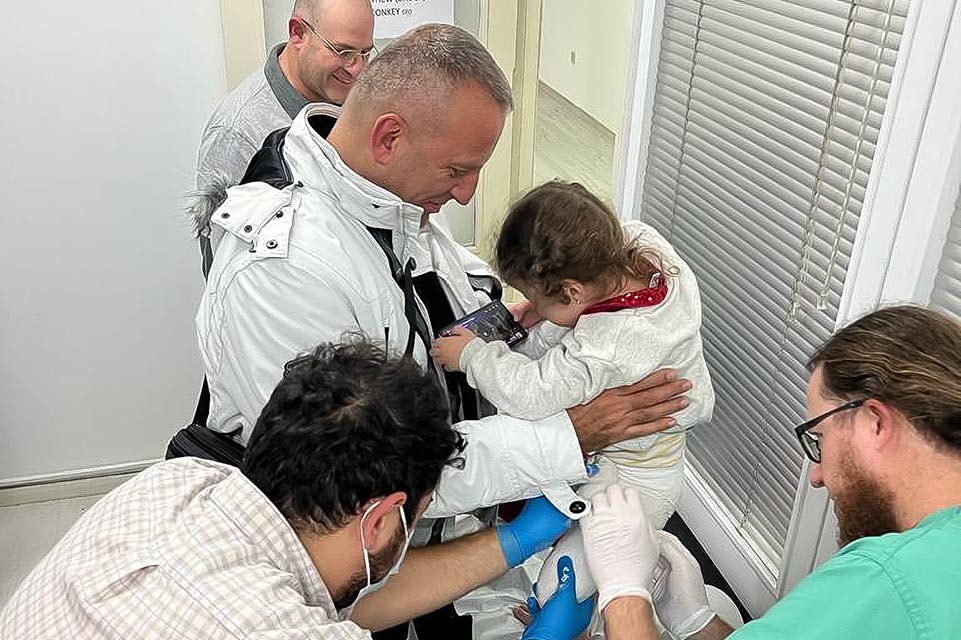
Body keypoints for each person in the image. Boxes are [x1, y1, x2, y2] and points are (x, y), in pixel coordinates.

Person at [195, 24, 691, 520]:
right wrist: (571, 434)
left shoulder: (394, 199)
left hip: (454, 506)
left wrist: (514, 321)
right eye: (456, 171)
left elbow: (442, 297)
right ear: (388, 137)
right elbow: (373, 481)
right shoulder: (285, 273)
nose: (467, 194)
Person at [0, 341, 593, 640]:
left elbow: (345, 600)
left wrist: (513, 541)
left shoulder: (178, 482)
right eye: (422, 509)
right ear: (385, 518)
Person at [561, 305, 961, 640]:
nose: (816, 476)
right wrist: (696, 623)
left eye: (818, 439)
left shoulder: (887, 582)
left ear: (875, 423)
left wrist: (624, 596)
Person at [431, 180, 714, 529]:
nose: (530, 306)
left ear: (573, 292)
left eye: (535, 297)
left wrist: (473, 356)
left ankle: (662, 576)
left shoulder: (605, 348)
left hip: (636, 477)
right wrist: (545, 308)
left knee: (590, 562)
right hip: (656, 452)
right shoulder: (643, 247)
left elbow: (531, 392)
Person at [192, 0, 375, 271]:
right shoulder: (238, 132)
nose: (357, 69)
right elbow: (227, 271)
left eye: (365, 53)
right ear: (297, 33)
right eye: (343, 51)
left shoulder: (346, 100)